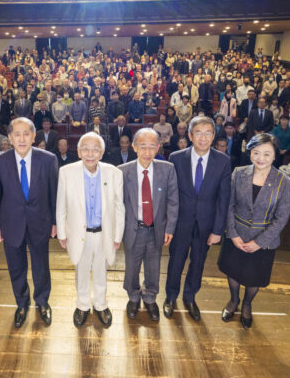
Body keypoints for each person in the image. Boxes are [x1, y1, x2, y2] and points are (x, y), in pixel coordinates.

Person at [219, 133, 290, 329]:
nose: (261, 158)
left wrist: (259, 242)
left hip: (263, 242)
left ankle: (247, 304)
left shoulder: (283, 182)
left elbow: (282, 217)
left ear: (275, 156)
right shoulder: (239, 173)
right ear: (250, 153)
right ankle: (233, 300)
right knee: (233, 271)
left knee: (254, 276)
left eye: (267, 154)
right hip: (236, 235)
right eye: (256, 152)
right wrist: (232, 234)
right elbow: (228, 205)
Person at [0, 118, 58, 328]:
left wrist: (56, 222)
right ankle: (21, 303)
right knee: (16, 267)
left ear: (33, 136)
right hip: (11, 224)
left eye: (26, 133)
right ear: (9, 137)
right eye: (16, 134)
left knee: (41, 266)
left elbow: (55, 194)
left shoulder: (48, 159)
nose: (21, 138)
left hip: (40, 222)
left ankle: (42, 302)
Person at [164, 117, 231, 320]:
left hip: (206, 225)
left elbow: (223, 199)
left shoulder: (223, 161)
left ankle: (190, 297)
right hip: (180, 223)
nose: (203, 137)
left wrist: (218, 230)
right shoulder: (176, 158)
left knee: (198, 262)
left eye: (208, 133)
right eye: (198, 133)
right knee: (176, 261)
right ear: (190, 135)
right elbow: (170, 195)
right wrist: (169, 225)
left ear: (213, 135)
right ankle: (170, 297)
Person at [56, 132, 125, 327]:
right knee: (82, 269)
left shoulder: (114, 173)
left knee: (101, 270)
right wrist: (62, 232)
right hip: (79, 233)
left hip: (104, 232)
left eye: (95, 149)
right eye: (85, 148)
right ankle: (83, 305)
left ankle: (101, 304)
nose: (90, 153)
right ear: (78, 151)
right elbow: (61, 205)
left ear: (102, 153)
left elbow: (120, 207)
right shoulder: (66, 172)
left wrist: (118, 235)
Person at [119, 128, 179, 322]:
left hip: (156, 230)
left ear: (158, 147)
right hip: (133, 229)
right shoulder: (123, 171)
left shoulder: (167, 169)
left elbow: (172, 201)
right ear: (134, 147)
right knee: (132, 267)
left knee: (153, 267)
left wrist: (169, 227)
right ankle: (134, 297)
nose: (147, 152)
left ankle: (150, 297)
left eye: (152, 147)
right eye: (142, 146)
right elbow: (117, 205)